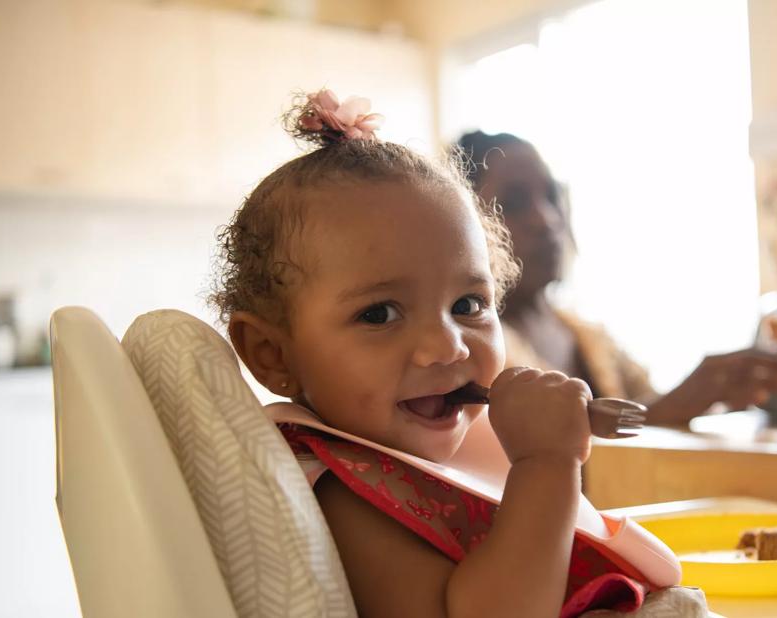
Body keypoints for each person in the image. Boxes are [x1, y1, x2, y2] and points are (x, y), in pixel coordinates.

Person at [209, 90, 695, 617]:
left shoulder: (443, 439)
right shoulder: (343, 495)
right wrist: (546, 463)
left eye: (468, 304)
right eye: (379, 314)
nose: (448, 346)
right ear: (272, 354)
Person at [456, 131, 777, 424]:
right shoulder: (474, 352)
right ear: (466, 226)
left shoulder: (584, 333)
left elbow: (649, 404)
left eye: (551, 196)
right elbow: (527, 463)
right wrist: (674, 407)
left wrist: (722, 390)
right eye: (514, 203)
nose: (546, 220)